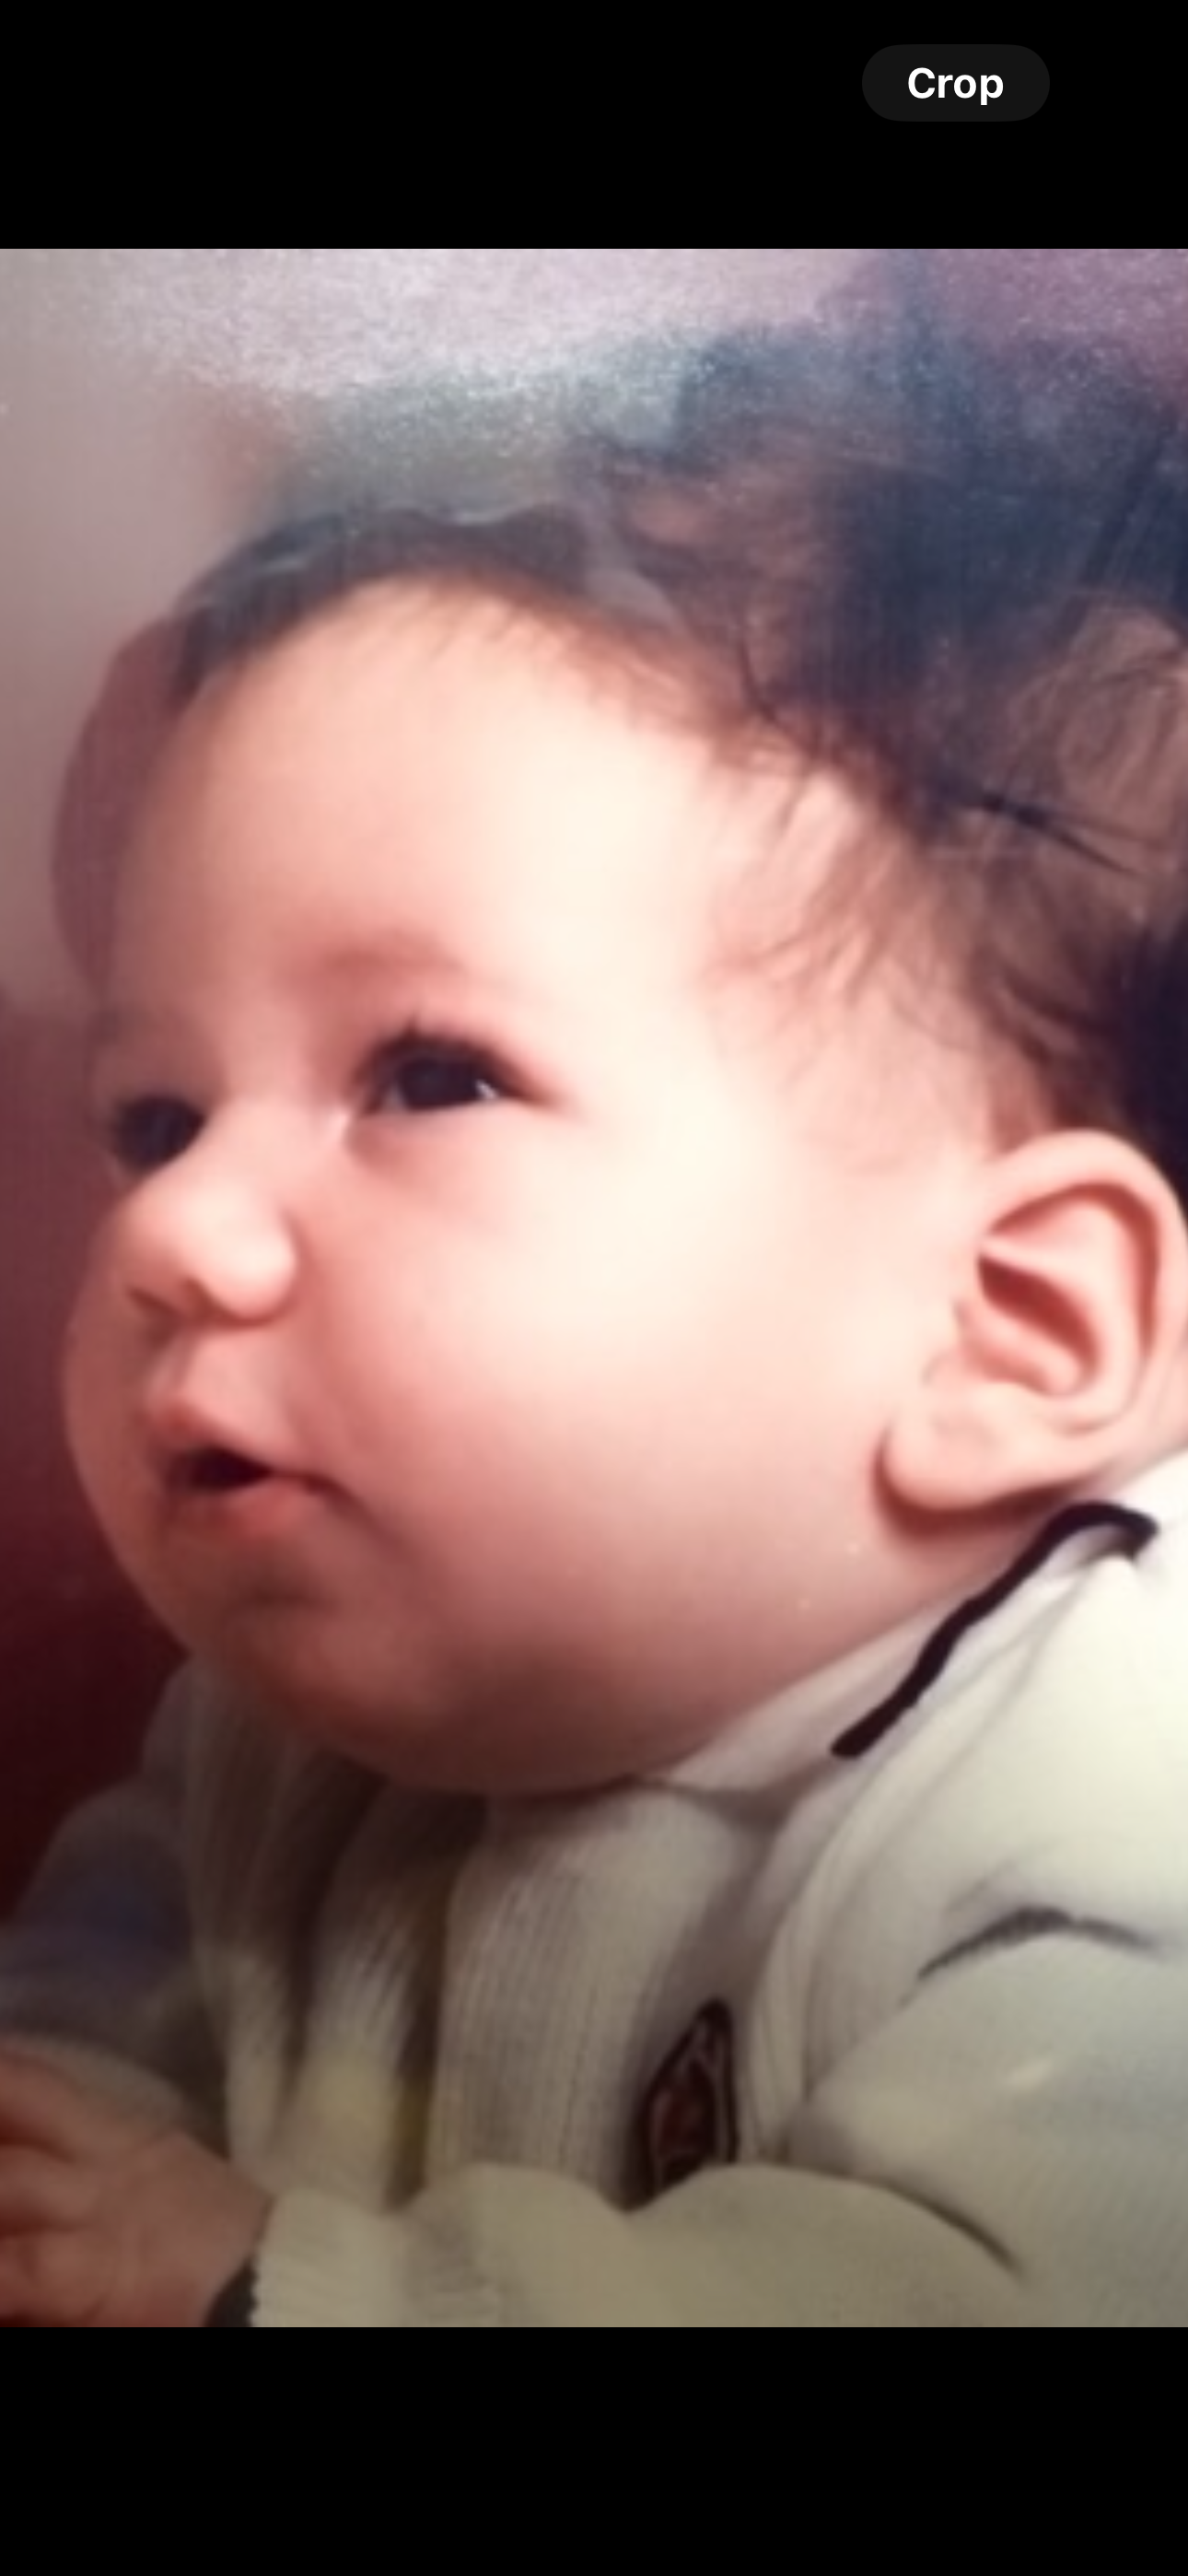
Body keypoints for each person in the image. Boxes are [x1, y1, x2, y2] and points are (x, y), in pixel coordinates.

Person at [5, 319, 1188, 2327]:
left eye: (429, 1077)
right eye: (156, 1117)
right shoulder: (278, 1723)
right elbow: (103, 1996)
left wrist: (269, 2283)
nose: (171, 1231)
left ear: (1005, 1327)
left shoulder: (1106, 1801)